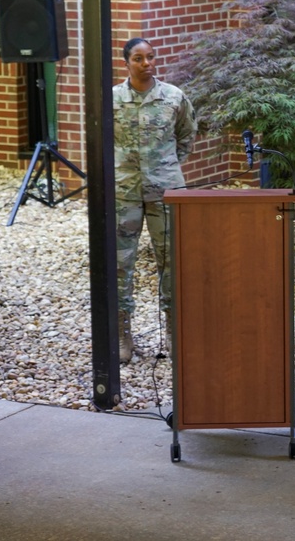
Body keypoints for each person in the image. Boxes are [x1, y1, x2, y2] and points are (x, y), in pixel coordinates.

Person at [113, 38, 197, 363]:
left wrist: (167, 165)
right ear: (127, 62)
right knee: (121, 266)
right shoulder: (112, 99)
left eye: (150, 57)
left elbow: (188, 132)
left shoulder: (173, 97)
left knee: (173, 261)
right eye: (138, 58)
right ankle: (123, 335)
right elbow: (100, 138)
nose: (146, 63)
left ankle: (174, 332)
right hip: (125, 193)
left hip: (166, 192)